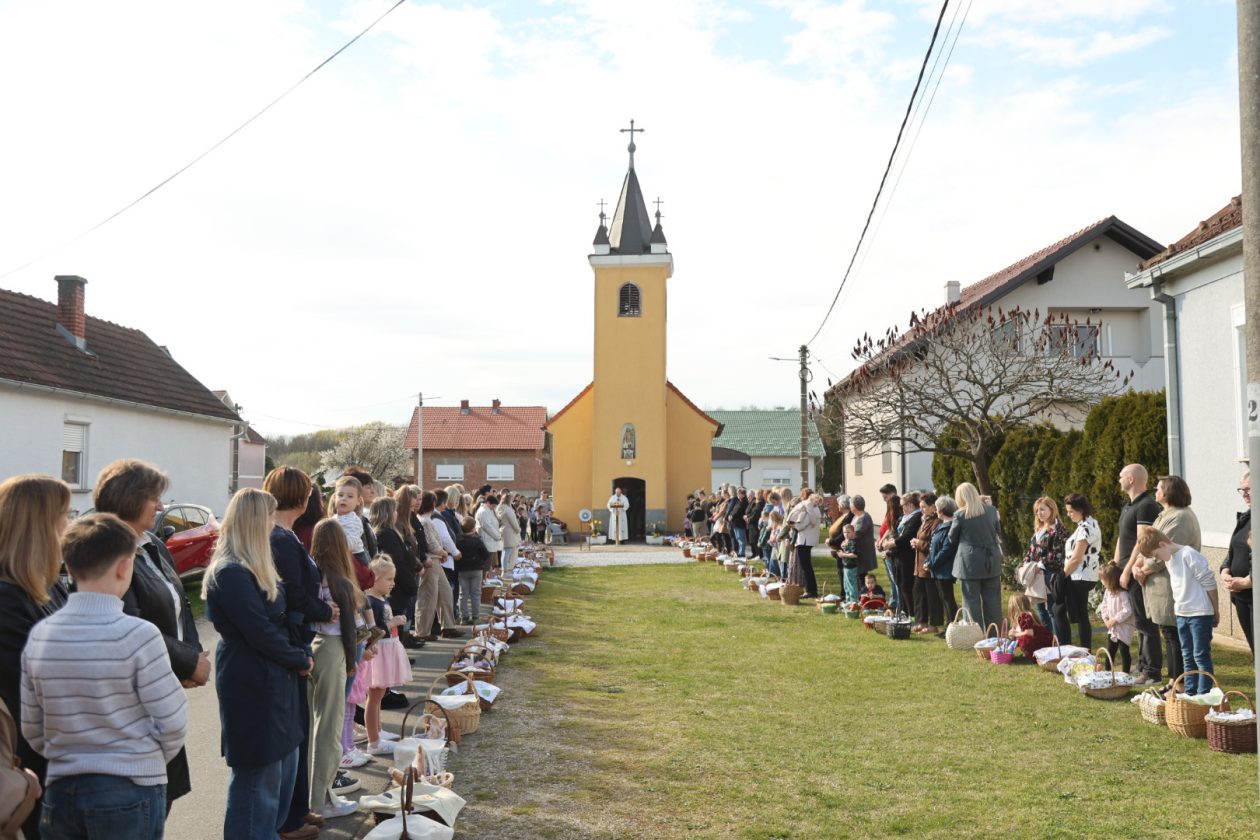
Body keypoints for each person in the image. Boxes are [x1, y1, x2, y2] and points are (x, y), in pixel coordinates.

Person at [22, 513, 187, 840]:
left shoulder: (41, 634)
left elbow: (32, 726)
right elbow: (172, 721)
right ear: (125, 567)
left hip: (61, 788)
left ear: (68, 567)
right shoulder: (139, 634)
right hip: (129, 788)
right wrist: (145, 760)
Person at [92, 459, 205, 812]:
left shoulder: (152, 542)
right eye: (154, 498)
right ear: (130, 497)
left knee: (159, 798)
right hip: (134, 697)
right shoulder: (106, 547)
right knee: (143, 801)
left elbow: (180, 604)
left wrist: (193, 658)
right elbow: (131, 624)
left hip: (164, 680)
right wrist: (188, 661)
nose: (160, 507)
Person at [203, 489, 312, 840]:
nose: (273, 522)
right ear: (253, 521)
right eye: (268, 515)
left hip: (275, 675)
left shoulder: (253, 565)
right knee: (258, 779)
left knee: (281, 769)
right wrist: (298, 657)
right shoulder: (230, 572)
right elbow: (259, 631)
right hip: (252, 679)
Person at [264, 468, 334, 840]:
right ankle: (289, 819)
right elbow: (293, 592)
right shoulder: (281, 539)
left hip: (299, 636)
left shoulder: (285, 535)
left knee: (300, 729)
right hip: (294, 638)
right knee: (294, 732)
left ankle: (297, 808)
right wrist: (326, 611)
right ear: (300, 496)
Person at [306, 520, 360, 821]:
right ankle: (321, 798)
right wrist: (352, 661)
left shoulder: (311, 572)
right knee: (329, 729)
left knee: (312, 727)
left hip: (312, 645)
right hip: (333, 647)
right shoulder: (340, 580)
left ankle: (313, 795)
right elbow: (349, 628)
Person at [1136, 527, 1220, 695]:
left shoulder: (1189, 555)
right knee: (1187, 655)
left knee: (1200, 655)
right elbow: (1177, 587)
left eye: (1156, 555)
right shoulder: (1170, 559)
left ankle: (1204, 694)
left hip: (1199, 614)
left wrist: (1215, 610)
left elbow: (1209, 582)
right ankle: (1190, 693)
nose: (1156, 559)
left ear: (1162, 544)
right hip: (1182, 614)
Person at [1134, 475, 1200, 682]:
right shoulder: (1165, 514)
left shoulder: (1180, 517)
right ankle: (1174, 682)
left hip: (1171, 586)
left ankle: (1178, 682)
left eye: (1159, 488)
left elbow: (1163, 551)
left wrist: (1142, 570)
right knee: (1170, 636)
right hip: (1160, 586)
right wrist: (1137, 564)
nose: (1155, 491)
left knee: (1175, 637)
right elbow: (1146, 544)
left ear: (1168, 492)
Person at [1114, 464, 1163, 684]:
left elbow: (1140, 543)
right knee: (1138, 621)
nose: (1119, 479)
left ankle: (1152, 671)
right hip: (1125, 568)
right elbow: (1121, 538)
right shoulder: (1129, 505)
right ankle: (1143, 664)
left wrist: (1127, 570)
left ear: (1132, 479)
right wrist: (1115, 565)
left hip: (1136, 570)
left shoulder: (1146, 506)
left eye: (1122, 476)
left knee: (1146, 621)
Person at [360, 557, 410, 756]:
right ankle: (373, 741)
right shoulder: (371, 601)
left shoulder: (380, 599)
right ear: (376, 579)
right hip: (379, 652)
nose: (393, 583)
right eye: (389, 579)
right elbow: (374, 630)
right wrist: (393, 622)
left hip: (387, 650)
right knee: (374, 696)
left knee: (379, 695)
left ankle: (378, 731)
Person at [949, 483, 1003, 628]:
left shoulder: (960, 515)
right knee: (993, 602)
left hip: (969, 562)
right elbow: (998, 532)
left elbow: (952, 538)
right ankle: (995, 634)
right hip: (991, 559)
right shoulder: (992, 511)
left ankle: (975, 635)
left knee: (971, 601)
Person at [373, 490, 422, 650]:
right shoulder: (386, 534)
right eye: (394, 510)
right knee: (394, 633)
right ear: (387, 513)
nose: (396, 513)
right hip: (396, 589)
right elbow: (397, 563)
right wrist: (410, 586)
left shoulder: (391, 532)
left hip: (399, 589)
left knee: (398, 630)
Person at [1061, 493, 1102, 650]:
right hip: (1080, 574)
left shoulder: (1086, 527)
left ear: (1081, 510)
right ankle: (1083, 649)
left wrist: (1061, 575)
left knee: (1080, 614)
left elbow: (1077, 558)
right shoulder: (1086, 525)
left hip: (1081, 575)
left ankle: (1084, 649)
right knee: (1079, 613)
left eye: (1071, 511)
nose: (1068, 515)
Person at [1025, 497, 1068, 640]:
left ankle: (1060, 643)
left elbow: (1058, 554)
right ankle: (1048, 641)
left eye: (1042, 509)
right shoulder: (1038, 529)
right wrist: (1026, 565)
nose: (1039, 513)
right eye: (1037, 510)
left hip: (1051, 574)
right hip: (1036, 576)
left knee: (1052, 610)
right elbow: (1031, 551)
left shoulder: (1059, 530)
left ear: (1052, 509)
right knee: (1040, 610)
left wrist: (1039, 565)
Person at [1220, 470, 1253, 653]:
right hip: (1241, 596)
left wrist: (1248, 581)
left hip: (1254, 594)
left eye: (1249, 489)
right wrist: (1225, 570)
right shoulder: (1246, 517)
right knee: (1254, 647)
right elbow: (1234, 550)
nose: (1245, 494)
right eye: (1242, 490)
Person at [327, 475, 373, 591]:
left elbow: (350, 544)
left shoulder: (354, 520)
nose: (344, 499)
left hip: (356, 558)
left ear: (358, 501)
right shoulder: (334, 518)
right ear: (334, 498)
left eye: (350, 496)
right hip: (342, 556)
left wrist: (333, 544)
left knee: (355, 590)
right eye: (340, 495)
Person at [909, 493, 941, 634]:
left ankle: (934, 624)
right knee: (918, 593)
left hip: (929, 565)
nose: (921, 509)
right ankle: (921, 621)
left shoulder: (936, 522)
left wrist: (919, 543)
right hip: (919, 565)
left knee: (931, 595)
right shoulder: (925, 520)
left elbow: (934, 545)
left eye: (924, 507)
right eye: (920, 506)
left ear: (933, 507)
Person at [928, 495, 959, 628]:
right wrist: (929, 561)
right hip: (938, 568)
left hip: (944, 569)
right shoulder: (942, 525)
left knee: (948, 599)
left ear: (942, 510)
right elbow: (934, 546)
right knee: (944, 598)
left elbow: (946, 550)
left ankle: (952, 626)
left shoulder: (950, 526)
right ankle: (949, 626)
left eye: (937, 508)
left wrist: (931, 563)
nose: (935, 511)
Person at [1098, 563, 1135, 674]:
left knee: (1124, 650)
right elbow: (1103, 606)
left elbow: (1128, 610)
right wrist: (1106, 619)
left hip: (1124, 626)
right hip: (1112, 628)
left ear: (1111, 580)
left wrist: (1115, 619)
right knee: (1110, 650)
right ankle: (1108, 673)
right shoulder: (1107, 592)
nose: (1101, 582)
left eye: (1103, 579)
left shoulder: (1123, 594)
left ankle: (1125, 674)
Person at [455, 517, 491, 624]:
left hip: (462, 570)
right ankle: (475, 617)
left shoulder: (458, 541)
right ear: (473, 528)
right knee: (475, 594)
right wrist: (485, 566)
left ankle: (464, 617)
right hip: (476, 569)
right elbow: (485, 555)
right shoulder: (477, 540)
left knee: (463, 594)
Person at [788, 489, 822, 598]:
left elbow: (804, 523)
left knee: (806, 566)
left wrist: (795, 527)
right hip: (807, 539)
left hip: (805, 540)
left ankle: (811, 590)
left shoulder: (810, 508)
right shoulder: (813, 509)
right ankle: (811, 590)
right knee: (807, 566)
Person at [1006, 593, 1053, 658]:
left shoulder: (1025, 616)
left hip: (1043, 644)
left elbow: (1029, 633)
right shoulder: (1022, 617)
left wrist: (1015, 634)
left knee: (1025, 639)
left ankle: (1034, 654)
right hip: (1041, 642)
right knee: (1022, 638)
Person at [850, 496, 877, 580]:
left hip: (862, 553)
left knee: (861, 577)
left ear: (854, 506)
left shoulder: (864, 517)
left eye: (851, 504)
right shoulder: (856, 516)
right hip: (858, 552)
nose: (850, 506)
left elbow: (857, 534)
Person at [476, 494, 503, 568]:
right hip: (487, 540)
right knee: (486, 564)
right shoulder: (483, 512)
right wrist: (498, 536)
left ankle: (489, 577)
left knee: (490, 563)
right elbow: (488, 527)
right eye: (493, 505)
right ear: (488, 502)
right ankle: (486, 578)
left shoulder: (489, 510)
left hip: (491, 540)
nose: (494, 507)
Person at [835, 524, 860, 602]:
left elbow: (855, 555)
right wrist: (841, 551)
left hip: (852, 567)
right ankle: (848, 601)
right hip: (845, 567)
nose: (846, 534)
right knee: (846, 586)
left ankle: (854, 602)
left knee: (852, 586)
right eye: (844, 532)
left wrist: (843, 554)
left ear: (853, 532)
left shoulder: (854, 542)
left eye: (848, 532)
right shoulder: (845, 541)